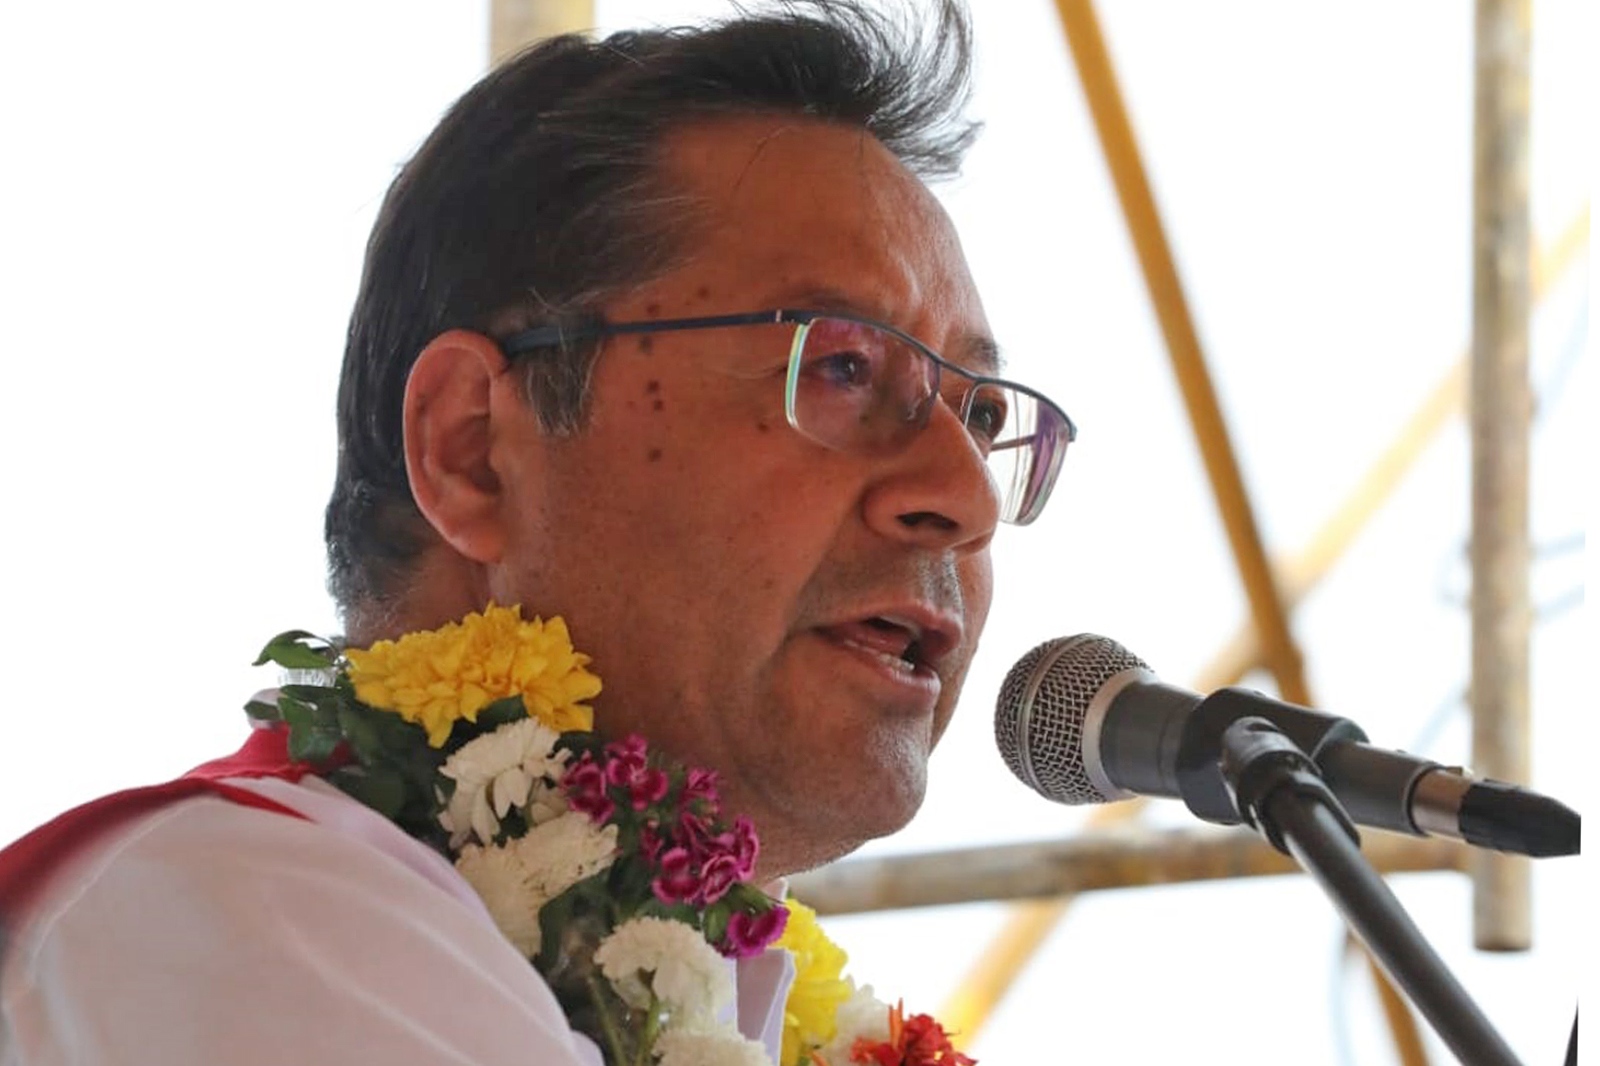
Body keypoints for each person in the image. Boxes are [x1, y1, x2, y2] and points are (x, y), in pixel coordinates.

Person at [0, 2, 1072, 1062]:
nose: (966, 496)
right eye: (841, 368)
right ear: (473, 448)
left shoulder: (735, 1005)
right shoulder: (253, 922)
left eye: (981, 418)